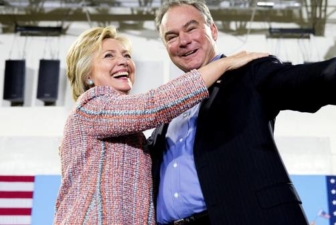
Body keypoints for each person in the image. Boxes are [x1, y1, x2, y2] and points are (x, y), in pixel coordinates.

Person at [148, 0, 336, 225]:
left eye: (191, 28)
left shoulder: (248, 72)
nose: (183, 41)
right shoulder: (167, 108)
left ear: (212, 30)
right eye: (171, 36)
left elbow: (298, 82)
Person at [53, 26, 267, 224]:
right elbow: (154, 105)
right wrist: (224, 64)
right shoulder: (91, 106)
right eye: (109, 55)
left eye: (126, 55)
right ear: (87, 74)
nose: (123, 61)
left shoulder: (124, 127)